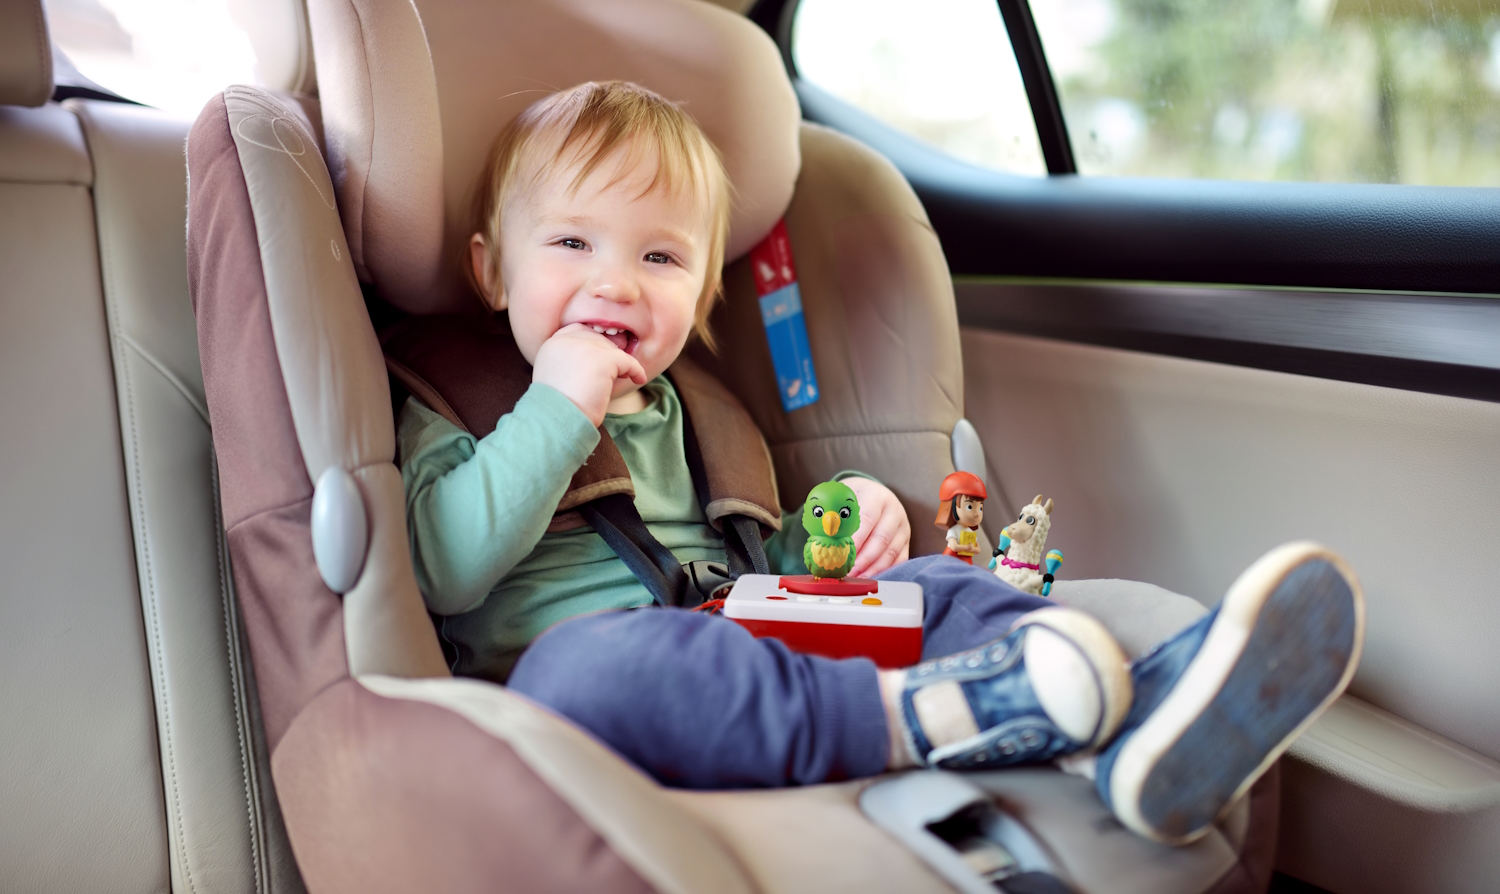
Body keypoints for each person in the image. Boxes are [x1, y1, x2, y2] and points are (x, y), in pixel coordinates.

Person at [398, 80, 1364, 846]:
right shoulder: (452, 405)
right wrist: (556, 407)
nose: (614, 280)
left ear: (697, 299)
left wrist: (841, 520)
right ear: (491, 270)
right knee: (592, 664)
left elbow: (756, 565)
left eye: (660, 259)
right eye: (572, 242)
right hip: (583, 684)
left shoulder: (701, 414)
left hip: (748, 637)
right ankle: (931, 715)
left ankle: (1132, 701)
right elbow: (444, 567)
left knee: (935, 581)